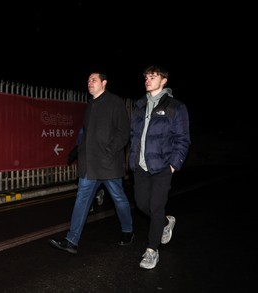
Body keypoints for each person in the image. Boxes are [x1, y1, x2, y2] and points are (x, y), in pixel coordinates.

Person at [49, 72, 134, 254]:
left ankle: (127, 230)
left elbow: (123, 133)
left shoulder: (115, 102)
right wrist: (77, 151)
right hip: (89, 165)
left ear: (104, 83)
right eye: (88, 80)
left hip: (108, 163)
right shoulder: (90, 105)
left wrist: (109, 151)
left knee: (118, 198)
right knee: (81, 199)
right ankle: (72, 241)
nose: (89, 82)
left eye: (93, 80)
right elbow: (86, 134)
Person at [129, 65, 191, 269]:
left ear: (164, 80)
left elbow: (183, 139)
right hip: (141, 167)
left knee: (155, 206)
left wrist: (174, 164)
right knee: (141, 205)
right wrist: (132, 159)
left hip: (162, 167)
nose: (148, 80)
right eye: (146, 76)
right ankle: (165, 222)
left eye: (153, 76)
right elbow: (134, 136)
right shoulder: (139, 105)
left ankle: (151, 250)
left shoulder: (175, 106)